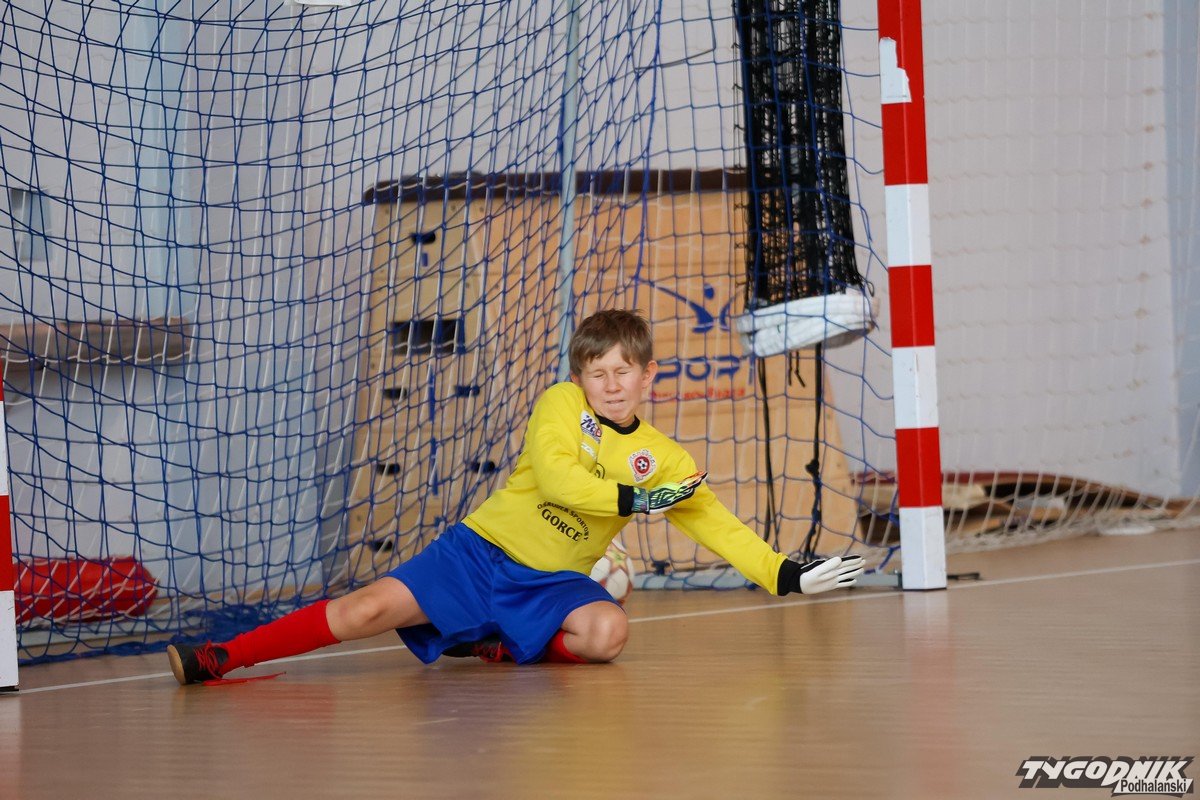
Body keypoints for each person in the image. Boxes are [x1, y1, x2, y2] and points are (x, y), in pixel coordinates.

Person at [167, 309, 864, 685]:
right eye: (597, 373)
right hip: (479, 554)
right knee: (363, 611)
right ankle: (223, 656)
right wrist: (635, 502)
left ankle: (499, 644)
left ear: (648, 375)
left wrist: (781, 573)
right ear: (580, 376)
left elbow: (713, 521)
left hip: (551, 581)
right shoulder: (560, 404)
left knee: (608, 634)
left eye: (623, 372)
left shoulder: (666, 460)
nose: (610, 385)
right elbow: (560, 481)